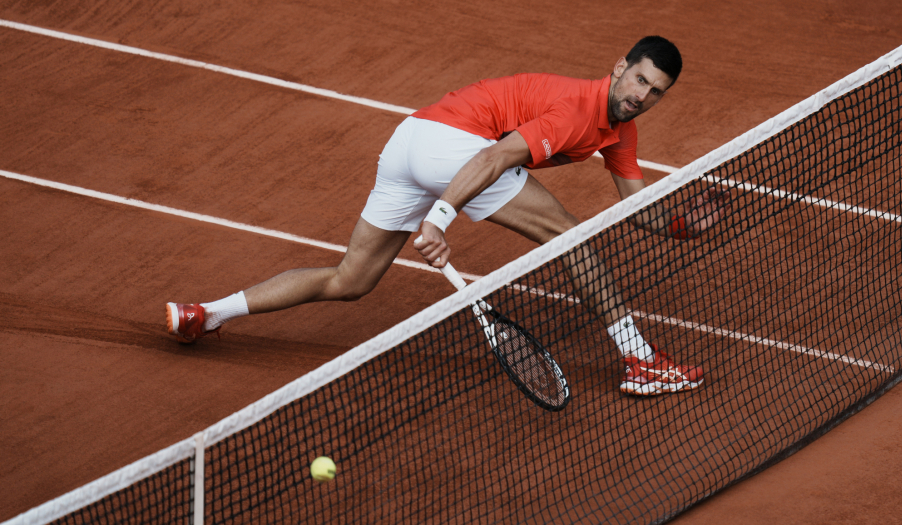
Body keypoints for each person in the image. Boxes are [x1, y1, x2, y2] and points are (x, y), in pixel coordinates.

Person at [166, 36, 731, 395]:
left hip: (410, 140)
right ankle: (640, 360)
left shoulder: (620, 130)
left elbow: (635, 209)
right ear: (619, 68)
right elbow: (492, 157)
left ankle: (207, 313)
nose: (642, 95)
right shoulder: (576, 109)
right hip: (452, 146)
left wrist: (683, 224)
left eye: (655, 92)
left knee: (351, 281)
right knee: (569, 236)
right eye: (639, 80)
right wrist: (437, 221)